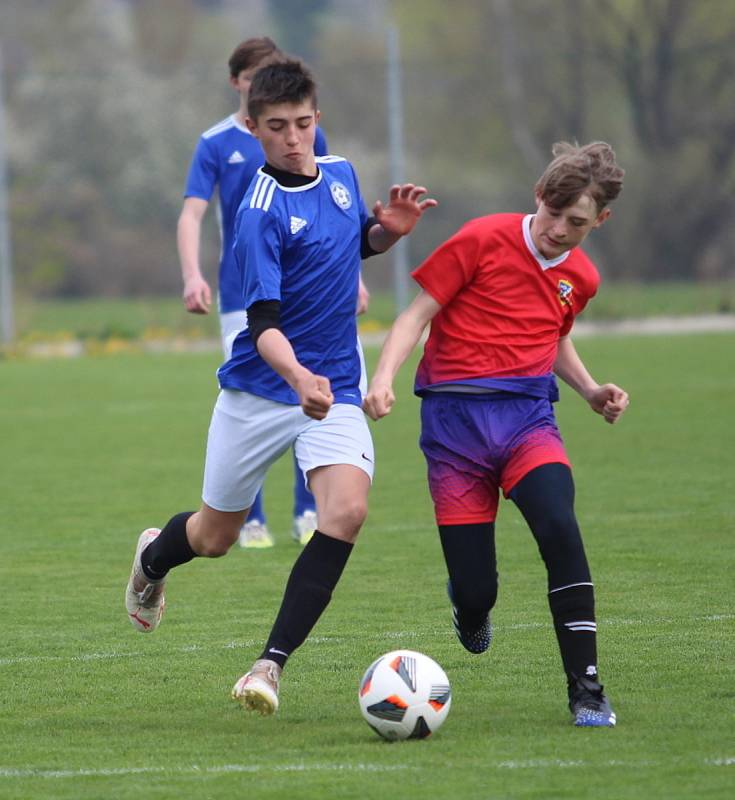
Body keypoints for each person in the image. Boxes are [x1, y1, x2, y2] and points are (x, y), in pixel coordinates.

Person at [126, 60, 437, 716]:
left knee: (345, 512)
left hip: (333, 389)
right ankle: (153, 558)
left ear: (316, 118)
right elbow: (261, 324)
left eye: (302, 123)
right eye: (277, 128)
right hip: (260, 391)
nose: (293, 139)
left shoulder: (345, 175)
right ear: (253, 129)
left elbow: (350, 245)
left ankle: (268, 665)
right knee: (215, 537)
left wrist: (386, 233)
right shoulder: (257, 214)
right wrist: (297, 378)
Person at [363, 141, 628, 728]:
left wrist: (588, 390)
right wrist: (383, 378)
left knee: (561, 528)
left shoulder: (581, 276)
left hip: (528, 422)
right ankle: (471, 605)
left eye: (577, 222)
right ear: (538, 196)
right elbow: (415, 316)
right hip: (454, 431)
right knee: (478, 588)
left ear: (600, 220)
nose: (560, 229)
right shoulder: (482, 239)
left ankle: (586, 689)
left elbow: (552, 335)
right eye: (554, 213)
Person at [178, 36, 337, 549]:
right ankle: (249, 517)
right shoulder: (216, 142)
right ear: (237, 84)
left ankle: (308, 511)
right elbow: (193, 213)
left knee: (309, 391)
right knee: (252, 396)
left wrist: (352, 275)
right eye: (254, 79)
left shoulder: (309, 136)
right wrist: (192, 274)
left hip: (307, 300)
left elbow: (334, 213)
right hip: (240, 298)